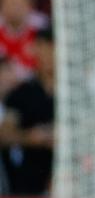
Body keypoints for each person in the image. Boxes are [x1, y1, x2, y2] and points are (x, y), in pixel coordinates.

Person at [0, 28, 53, 195]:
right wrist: (30, 137)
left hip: (72, 178)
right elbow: (4, 135)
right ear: (34, 50)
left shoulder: (78, 93)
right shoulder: (21, 93)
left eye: (52, 48)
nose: (49, 55)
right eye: (43, 48)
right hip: (28, 185)